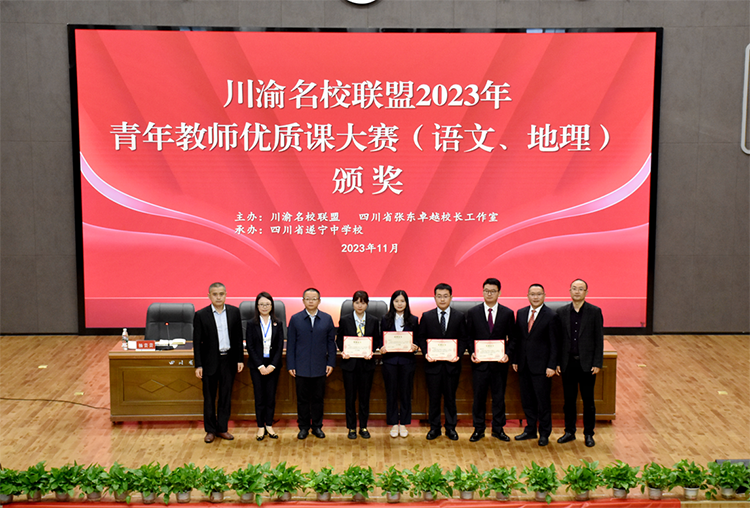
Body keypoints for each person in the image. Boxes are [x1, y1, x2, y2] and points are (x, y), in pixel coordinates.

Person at [193, 282, 245, 443]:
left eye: (221, 294)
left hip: (228, 360)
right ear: (209, 296)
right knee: (209, 398)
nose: (218, 297)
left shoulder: (234, 312)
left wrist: (240, 359)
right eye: (215, 294)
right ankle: (210, 430)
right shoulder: (201, 315)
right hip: (209, 362)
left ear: (226, 295)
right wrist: (198, 365)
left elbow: (238, 338)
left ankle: (222, 428)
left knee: (225, 396)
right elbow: (197, 342)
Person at [509, 283, 559, 447]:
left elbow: (554, 343)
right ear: (528, 296)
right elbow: (517, 339)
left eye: (539, 294)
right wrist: (515, 359)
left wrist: (552, 365)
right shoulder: (521, 313)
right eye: (532, 294)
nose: (535, 297)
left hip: (542, 367)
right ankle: (530, 429)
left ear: (544, 296)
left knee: (542, 402)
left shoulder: (551, 315)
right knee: (527, 400)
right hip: (523, 365)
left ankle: (544, 433)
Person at [556, 279, 604, 448]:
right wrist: (557, 362)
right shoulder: (561, 312)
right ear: (570, 291)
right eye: (574, 289)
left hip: (587, 364)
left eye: (580, 289)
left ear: (586, 292)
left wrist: (597, 362)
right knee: (569, 400)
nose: (577, 292)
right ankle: (569, 432)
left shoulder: (594, 312)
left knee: (588, 401)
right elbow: (558, 340)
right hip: (567, 363)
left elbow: (598, 338)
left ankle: (589, 434)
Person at [465, 278, 515, 442]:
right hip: (479, 364)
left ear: (499, 293)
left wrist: (507, 353)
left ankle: (498, 429)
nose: (489, 294)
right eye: (486, 291)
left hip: (499, 365)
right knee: (478, 398)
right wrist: (472, 352)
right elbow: (468, 336)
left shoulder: (507, 313)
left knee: (499, 398)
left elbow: (513, 338)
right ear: (482, 292)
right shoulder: (473, 312)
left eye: (493, 291)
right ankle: (478, 429)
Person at [417, 283, 467, 441]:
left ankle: (451, 428)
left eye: (446, 296)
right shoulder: (427, 316)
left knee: (450, 398)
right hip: (433, 365)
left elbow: (463, 338)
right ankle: (435, 428)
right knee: (434, 398)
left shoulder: (459, 316)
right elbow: (421, 337)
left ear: (451, 297)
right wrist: (426, 353)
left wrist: (458, 354)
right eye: (439, 296)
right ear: (434, 298)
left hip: (452, 365)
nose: (442, 299)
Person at [286, 287, 336, 439]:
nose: (311, 301)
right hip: (300, 366)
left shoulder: (327, 319)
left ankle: (317, 427)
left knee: (318, 399)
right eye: (308, 299)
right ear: (303, 301)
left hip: (320, 366)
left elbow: (331, 343)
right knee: (302, 400)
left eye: (314, 299)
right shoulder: (295, 319)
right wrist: (291, 364)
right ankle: (303, 427)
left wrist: (331, 362)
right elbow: (291, 344)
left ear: (319, 301)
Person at [336, 290, 382, 439]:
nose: (359, 305)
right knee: (350, 397)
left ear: (367, 304)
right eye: (357, 302)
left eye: (362, 303)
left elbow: (377, 340)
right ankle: (351, 428)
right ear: (353, 304)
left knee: (364, 397)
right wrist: (343, 351)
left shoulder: (373, 320)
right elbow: (339, 339)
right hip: (349, 364)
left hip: (366, 365)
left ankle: (363, 426)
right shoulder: (345, 320)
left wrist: (372, 351)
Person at [380, 290, 420, 438]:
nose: (399, 304)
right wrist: (381, 347)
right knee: (391, 393)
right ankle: (393, 423)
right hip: (390, 361)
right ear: (392, 303)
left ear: (406, 303)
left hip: (407, 361)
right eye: (396, 301)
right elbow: (380, 338)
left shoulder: (414, 319)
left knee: (405, 392)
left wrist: (416, 346)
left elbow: (418, 339)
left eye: (402, 301)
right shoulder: (385, 319)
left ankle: (403, 423)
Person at [246, 292, 284, 441]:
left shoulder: (278, 323)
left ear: (272, 306)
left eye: (267, 304)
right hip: (257, 366)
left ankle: (269, 424)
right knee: (259, 397)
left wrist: (273, 365)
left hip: (273, 365)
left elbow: (280, 345)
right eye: (261, 304)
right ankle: (260, 427)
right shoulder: (251, 323)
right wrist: (260, 365)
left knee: (271, 396)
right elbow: (250, 346)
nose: (264, 307)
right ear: (257, 306)